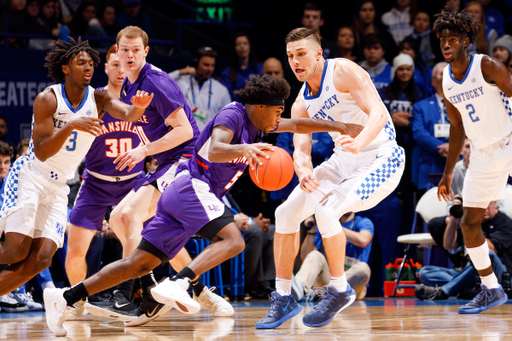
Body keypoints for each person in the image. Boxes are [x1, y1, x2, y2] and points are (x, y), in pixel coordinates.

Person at [43, 74, 363, 337]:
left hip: (182, 194)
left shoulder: (262, 120)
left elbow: (297, 125)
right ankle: (181, 282)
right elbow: (215, 150)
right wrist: (245, 148)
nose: (280, 119)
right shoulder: (233, 115)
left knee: (139, 263)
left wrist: (340, 127)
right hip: (191, 186)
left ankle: (66, 296)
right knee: (234, 240)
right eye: (277, 112)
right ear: (261, 107)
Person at [256, 27, 404, 330]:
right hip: (343, 160)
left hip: (382, 155)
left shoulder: (343, 70)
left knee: (326, 208)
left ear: (318, 53)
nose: (295, 62)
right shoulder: (301, 101)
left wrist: (360, 142)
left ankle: (339, 289)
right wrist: (303, 169)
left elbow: (377, 112)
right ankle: (284, 296)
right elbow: (301, 148)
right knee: (285, 213)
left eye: (301, 54)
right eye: (290, 56)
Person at [84, 26, 232, 325]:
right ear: (116, 50)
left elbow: (186, 131)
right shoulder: (129, 83)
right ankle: (199, 292)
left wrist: (142, 151)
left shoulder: (156, 83)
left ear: (145, 52)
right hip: (166, 161)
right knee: (135, 225)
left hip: (185, 160)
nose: (129, 55)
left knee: (127, 217)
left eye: (135, 50)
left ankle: (127, 295)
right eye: (124, 50)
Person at [0, 37, 153, 312]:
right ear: (66, 67)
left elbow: (129, 114)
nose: (88, 67)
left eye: (91, 63)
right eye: (80, 62)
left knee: (41, 260)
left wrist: (140, 106)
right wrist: (71, 125)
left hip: (58, 187)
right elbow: (44, 151)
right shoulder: (48, 98)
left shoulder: (99, 97)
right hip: (31, 176)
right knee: (15, 251)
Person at [435, 6, 512, 313]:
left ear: (466, 39)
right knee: (469, 223)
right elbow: (457, 128)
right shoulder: (447, 82)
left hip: (509, 140)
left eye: (452, 39)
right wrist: (446, 173)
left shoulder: (487, 65)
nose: (446, 45)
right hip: (481, 152)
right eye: (442, 40)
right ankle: (491, 289)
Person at [64, 44, 146, 319]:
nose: (121, 71)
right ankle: (76, 301)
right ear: (106, 68)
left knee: (139, 238)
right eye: (114, 65)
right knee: (75, 249)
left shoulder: (143, 98)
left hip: (134, 181)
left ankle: (125, 295)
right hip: (96, 182)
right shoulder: (94, 99)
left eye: (125, 65)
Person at [416, 201, 512, 300]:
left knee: (484, 254)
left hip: (498, 275)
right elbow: (449, 245)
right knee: (425, 272)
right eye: (482, 205)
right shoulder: (470, 221)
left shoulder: (505, 222)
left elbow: (489, 250)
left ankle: (445, 291)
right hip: (470, 273)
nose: (485, 209)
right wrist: (454, 218)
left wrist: (471, 225)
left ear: (497, 208)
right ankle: (465, 287)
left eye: (489, 205)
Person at [292, 213, 373, 302]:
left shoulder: (363, 222)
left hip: (352, 285)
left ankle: (320, 293)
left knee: (364, 268)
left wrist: (334, 226)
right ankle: (299, 289)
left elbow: (363, 240)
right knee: (315, 255)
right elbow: (305, 257)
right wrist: (312, 232)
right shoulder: (325, 225)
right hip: (330, 278)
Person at [169, 47, 231, 131]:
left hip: (208, 139)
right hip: (184, 137)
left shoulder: (221, 90)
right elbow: (160, 83)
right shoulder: (182, 82)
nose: (210, 69)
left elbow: (228, 119)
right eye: (206, 65)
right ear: (196, 64)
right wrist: (182, 71)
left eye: (212, 65)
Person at [412, 62, 450, 191]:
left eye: (447, 75)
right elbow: (419, 133)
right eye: (440, 75)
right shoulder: (421, 106)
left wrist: (455, 148)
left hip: (459, 162)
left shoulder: (463, 104)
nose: (444, 79)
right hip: (431, 163)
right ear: (432, 81)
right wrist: (442, 147)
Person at [221, 32, 262, 101]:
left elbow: (262, 91)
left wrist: (238, 92)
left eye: (245, 43)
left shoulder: (260, 68)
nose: (242, 46)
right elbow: (227, 96)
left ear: (250, 46)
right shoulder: (227, 73)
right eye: (238, 44)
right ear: (234, 48)